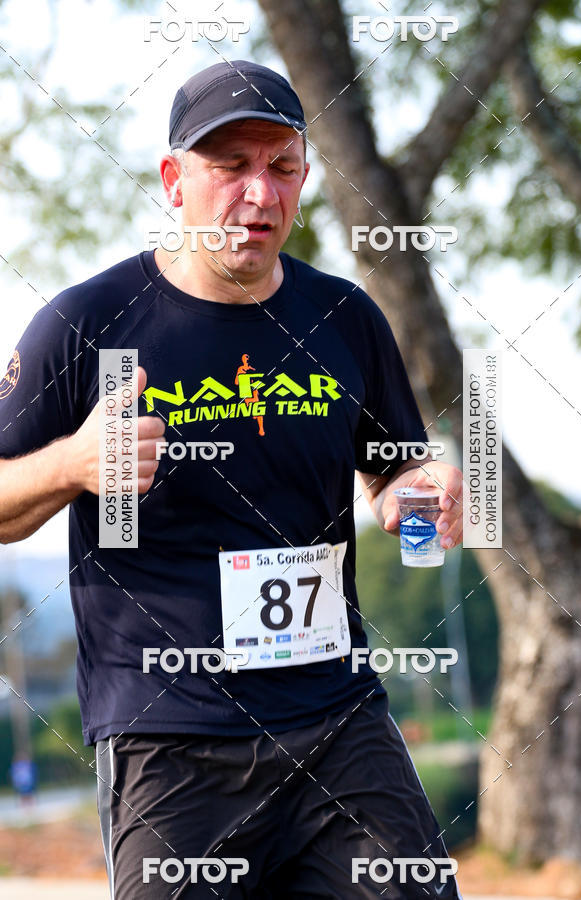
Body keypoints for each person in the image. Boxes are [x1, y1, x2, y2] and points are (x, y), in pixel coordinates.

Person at [0, 60, 464, 898]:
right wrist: (71, 463)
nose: (259, 193)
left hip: (337, 720)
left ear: (304, 180)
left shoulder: (345, 318)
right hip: (170, 736)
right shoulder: (86, 323)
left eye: (281, 167)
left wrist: (419, 499)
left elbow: (399, 481)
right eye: (230, 167)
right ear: (175, 180)